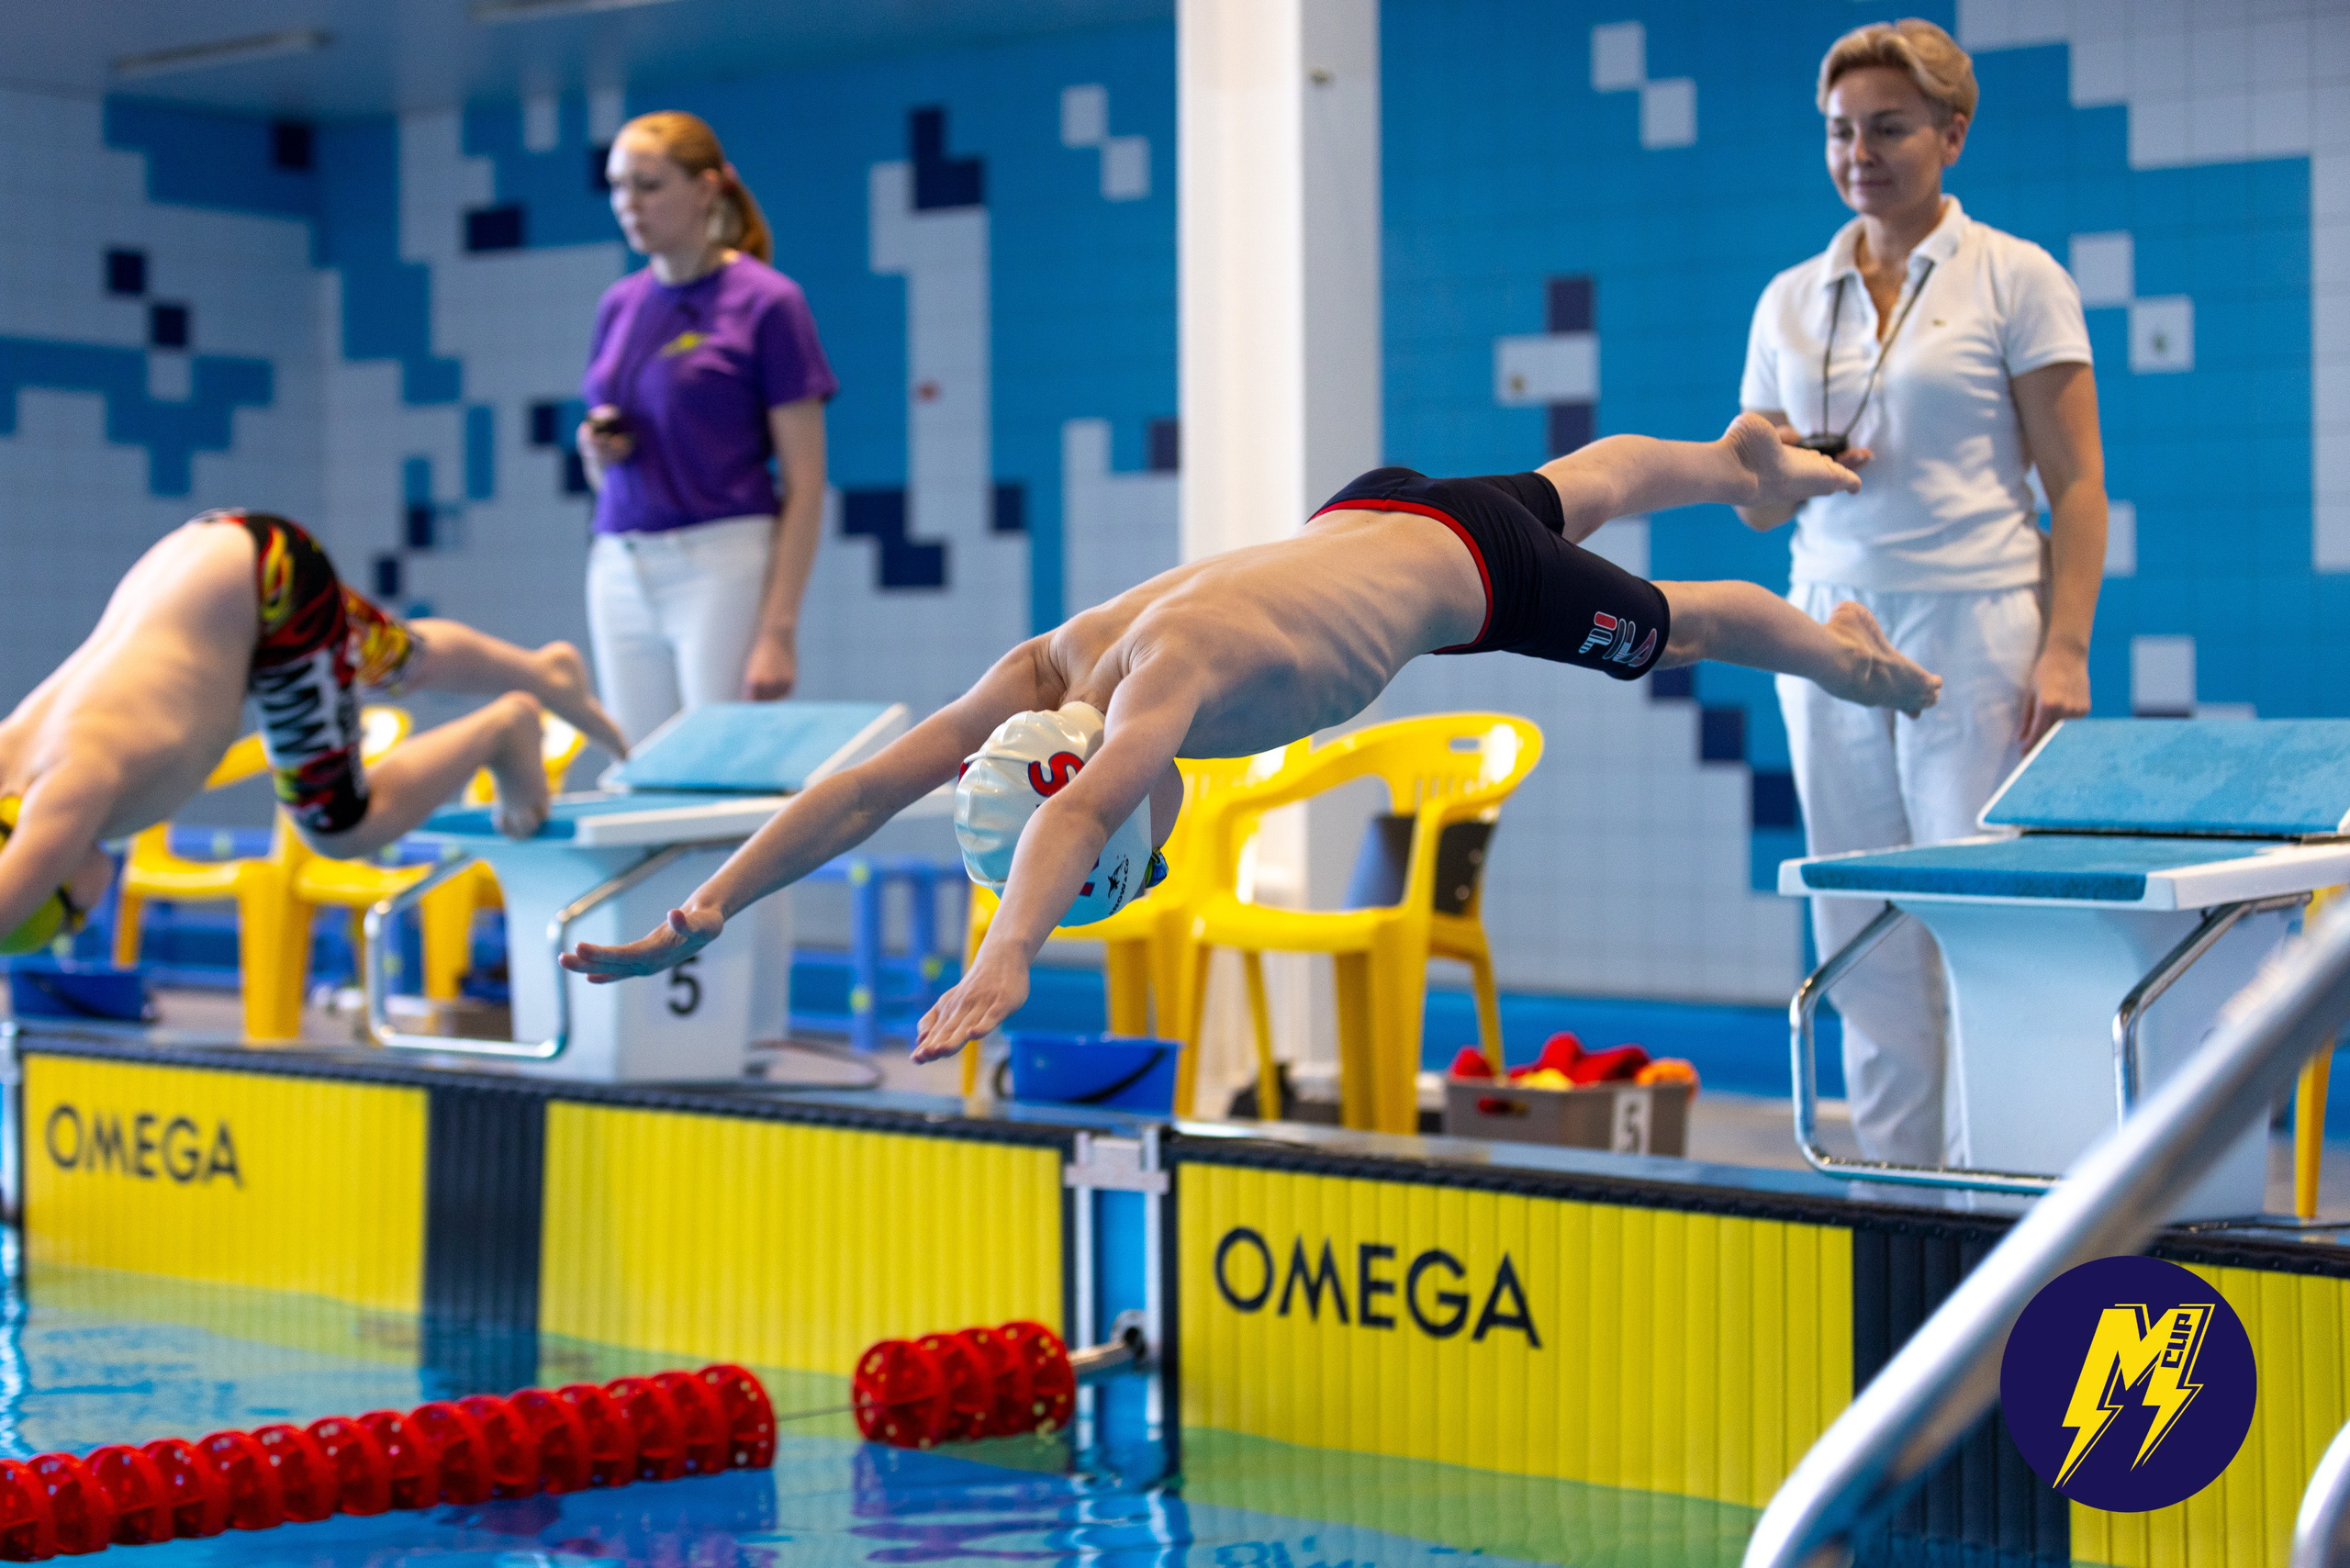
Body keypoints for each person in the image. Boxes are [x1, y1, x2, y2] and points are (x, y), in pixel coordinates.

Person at [562, 415, 1942, 1062]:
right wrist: (711, 901)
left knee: (1686, 624)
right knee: (1598, 479)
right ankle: (1739, 463)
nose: (1156, 846)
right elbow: (867, 789)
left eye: (1138, 856)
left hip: (1468, 577)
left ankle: (1848, 653)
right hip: (1372, 510)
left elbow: (1077, 813)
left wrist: (1007, 954)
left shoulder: (1156, 689)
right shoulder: (1053, 663)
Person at [1736, 19, 2109, 1168]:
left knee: (1974, 923)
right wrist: (1784, 462)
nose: (1862, 152)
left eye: (1890, 127)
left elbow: (2080, 484)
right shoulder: (1791, 299)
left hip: (1979, 621)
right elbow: (1754, 506)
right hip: (1829, 623)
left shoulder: (2018, 276)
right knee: (1858, 923)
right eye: (1842, 131)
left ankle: (1993, 1194)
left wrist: (2066, 650)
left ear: (1951, 132)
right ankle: (1894, 1195)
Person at [0, 510, 629, 955]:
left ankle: (504, 726)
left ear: (47, 877)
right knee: (401, 658)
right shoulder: (14, 761)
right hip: (213, 551)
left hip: (265, 589)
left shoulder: (65, 796)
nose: (74, 931)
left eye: (70, 918)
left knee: (341, 826)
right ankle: (546, 673)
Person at [578, 111, 838, 745]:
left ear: (705, 188)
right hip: (619, 561)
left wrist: (778, 632)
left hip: (720, 562)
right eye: (617, 186)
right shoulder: (618, 305)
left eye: (648, 184)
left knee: (719, 766)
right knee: (637, 774)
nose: (628, 204)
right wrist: (597, 449)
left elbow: (805, 485)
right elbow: (601, 473)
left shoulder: (767, 303)